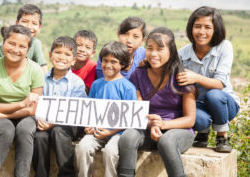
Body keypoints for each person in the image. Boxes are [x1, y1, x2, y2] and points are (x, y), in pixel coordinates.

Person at [118, 27, 196, 177]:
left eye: (160, 49)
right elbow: (136, 110)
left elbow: (190, 120)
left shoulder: (182, 77)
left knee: (167, 141)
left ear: (172, 51)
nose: (153, 54)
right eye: (149, 48)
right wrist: (151, 124)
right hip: (147, 128)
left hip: (179, 131)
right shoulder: (138, 74)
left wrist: (163, 124)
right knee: (128, 137)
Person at [0, 25, 45, 177]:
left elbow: (32, 110)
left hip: (21, 116)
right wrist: (22, 103)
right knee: (5, 130)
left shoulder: (35, 69)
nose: (16, 49)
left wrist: (4, 115)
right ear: (3, 43)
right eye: (11, 43)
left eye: (22, 46)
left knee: (25, 130)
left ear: (28, 49)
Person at [177, 6, 240, 152]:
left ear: (216, 29)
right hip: (199, 105)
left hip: (224, 104)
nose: (201, 32)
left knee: (214, 94)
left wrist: (196, 77)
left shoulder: (224, 47)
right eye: (197, 26)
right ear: (191, 28)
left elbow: (219, 84)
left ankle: (222, 137)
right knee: (194, 116)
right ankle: (203, 133)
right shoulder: (182, 53)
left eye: (207, 27)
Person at [76, 41, 137, 177]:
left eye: (114, 62)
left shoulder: (127, 87)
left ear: (122, 64)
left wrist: (111, 131)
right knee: (82, 147)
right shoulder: (96, 85)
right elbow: (89, 111)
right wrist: (89, 126)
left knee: (110, 152)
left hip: (118, 133)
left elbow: (130, 119)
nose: (108, 65)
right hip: (97, 130)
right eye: (105, 60)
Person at [32, 36, 86, 177]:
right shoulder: (42, 79)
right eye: (58, 53)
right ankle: (41, 174)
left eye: (67, 54)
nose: (62, 57)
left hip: (68, 125)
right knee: (39, 137)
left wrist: (53, 123)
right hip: (44, 122)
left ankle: (67, 173)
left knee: (58, 131)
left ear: (73, 60)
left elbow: (77, 111)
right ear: (50, 55)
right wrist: (40, 120)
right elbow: (36, 103)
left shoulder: (76, 82)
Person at [0, 4, 48, 73]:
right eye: (25, 21)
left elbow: (43, 67)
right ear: (17, 23)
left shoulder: (36, 43)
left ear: (39, 27)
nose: (29, 26)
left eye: (34, 23)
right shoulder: (3, 45)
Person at [71, 30, 97, 95]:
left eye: (88, 47)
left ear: (93, 53)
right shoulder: (65, 62)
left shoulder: (93, 67)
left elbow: (87, 91)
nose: (82, 50)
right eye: (78, 45)